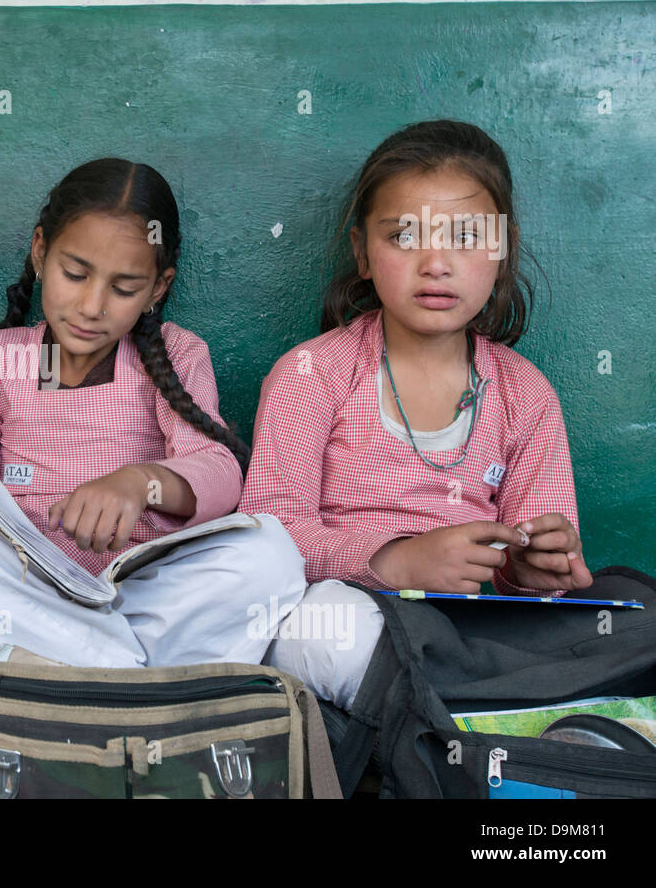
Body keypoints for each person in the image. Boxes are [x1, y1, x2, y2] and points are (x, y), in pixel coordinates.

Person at [0, 157, 306, 669]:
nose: (92, 305)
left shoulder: (178, 353)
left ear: (158, 288)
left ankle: (79, 672)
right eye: (75, 273)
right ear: (41, 251)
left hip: (146, 596)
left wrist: (141, 483)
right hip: (31, 595)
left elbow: (221, 475)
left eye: (124, 288)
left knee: (272, 554)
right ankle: (134, 680)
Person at [241, 119, 593, 709]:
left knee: (616, 622)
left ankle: (455, 709)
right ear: (363, 254)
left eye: (466, 236)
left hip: (469, 629)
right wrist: (395, 561)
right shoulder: (311, 375)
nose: (436, 262)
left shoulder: (525, 393)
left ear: (501, 250)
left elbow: (524, 564)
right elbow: (263, 540)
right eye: (404, 236)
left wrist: (533, 571)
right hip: (344, 615)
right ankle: (457, 713)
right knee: (334, 630)